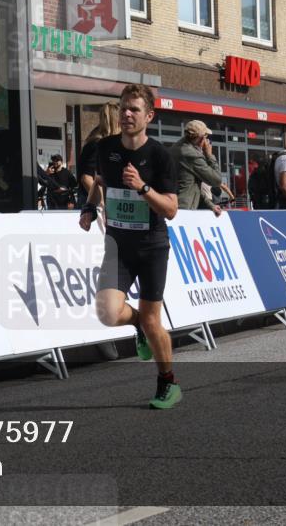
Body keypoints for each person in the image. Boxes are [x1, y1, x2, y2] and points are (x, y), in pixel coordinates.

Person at [79, 84, 180, 409]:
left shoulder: (161, 156)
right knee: (107, 313)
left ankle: (168, 383)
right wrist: (89, 207)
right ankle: (136, 323)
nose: (126, 114)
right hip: (118, 245)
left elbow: (171, 210)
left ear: (148, 116)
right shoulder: (106, 147)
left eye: (134, 109)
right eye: (123, 107)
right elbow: (101, 182)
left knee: (154, 322)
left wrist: (143, 187)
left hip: (152, 246)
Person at [169, 120, 223, 216]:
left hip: (176, 206)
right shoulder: (191, 155)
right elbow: (217, 180)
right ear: (201, 138)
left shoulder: (177, 148)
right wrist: (209, 155)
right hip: (184, 210)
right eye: (206, 137)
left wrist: (211, 205)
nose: (207, 141)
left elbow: (191, 186)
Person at [78, 102, 121, 206]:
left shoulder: (96, 140)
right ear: (117, 122)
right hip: (93, 205)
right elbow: (86, 178)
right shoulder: (98, 144)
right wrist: (102, 203)